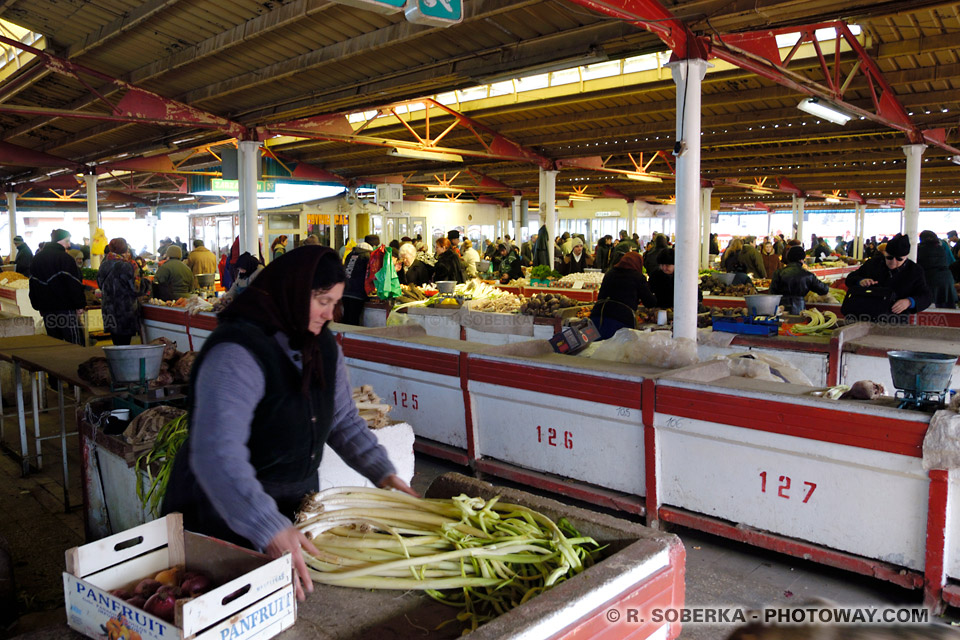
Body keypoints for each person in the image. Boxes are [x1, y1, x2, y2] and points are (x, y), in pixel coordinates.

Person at [162, 247, 417, 602]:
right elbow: (217, 454)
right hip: (222, 510)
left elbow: (342, 419)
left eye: (336, 302)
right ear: (293, 292)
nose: (330, 313)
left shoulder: (322, 346)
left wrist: (385, 474)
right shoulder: (238, 352)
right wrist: (267, 524)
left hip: (288, 503)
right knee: (217, 607)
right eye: (322, 300)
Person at [841, 233, 933, 322]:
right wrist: (860, 281)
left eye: (899, 259)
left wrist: (909, 302)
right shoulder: (873, 264)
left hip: (896, 320)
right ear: (884, 254)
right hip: (866, 315)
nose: (893, 262)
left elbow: (926, 296)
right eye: (889, 258)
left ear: (906, 257)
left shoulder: (915, 271)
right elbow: (850, 278)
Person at [28, 229, 86, 345]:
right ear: (59, 241)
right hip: (65, 308)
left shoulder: (37, 259)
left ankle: (57, 363)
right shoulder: (65, 258)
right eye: (67, 241)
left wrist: (37, 306)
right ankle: (76, 362)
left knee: (54, 343)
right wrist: (80, 305)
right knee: (74, 343)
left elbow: (32, 284)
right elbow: (73, 284)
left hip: (46, 309)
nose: (69, 245)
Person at [591, 253, 657, 340]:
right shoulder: (638, 277)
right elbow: (649, 302)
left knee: (596, 349)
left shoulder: (609, 273)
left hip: (598, 317)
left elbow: (601, 296)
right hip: (621, 320)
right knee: (617, 351)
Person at [98, 238, 143, 345]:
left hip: (108, 309)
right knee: (124, 344)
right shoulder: (126, 266)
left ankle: (116, 360)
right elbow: (136, 288)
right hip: (124, 310)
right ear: (125, 249)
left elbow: (100, 284)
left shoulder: (104, 264)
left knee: (116, 342)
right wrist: (145, 282)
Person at [767, 246, 830, 315]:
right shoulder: (808, 275)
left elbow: (772, 293)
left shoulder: (778, 273)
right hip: (799, 309)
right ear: (802, 259)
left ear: (788, 258)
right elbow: (824, 289)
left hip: (781, 309)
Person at [917, 230, 957, 309]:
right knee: (948, 309)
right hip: (947, 279)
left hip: (930, 279)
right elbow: (951, 261)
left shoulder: (919, 249)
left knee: (930, 309)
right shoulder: (942, 246)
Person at [341, 238, 374, 325]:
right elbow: (370, 274)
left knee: (346, 318)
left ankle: (344, 336)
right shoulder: (367, 256)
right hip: (357, 292)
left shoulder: (350, 255)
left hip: (345, 291)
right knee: (353, 320)